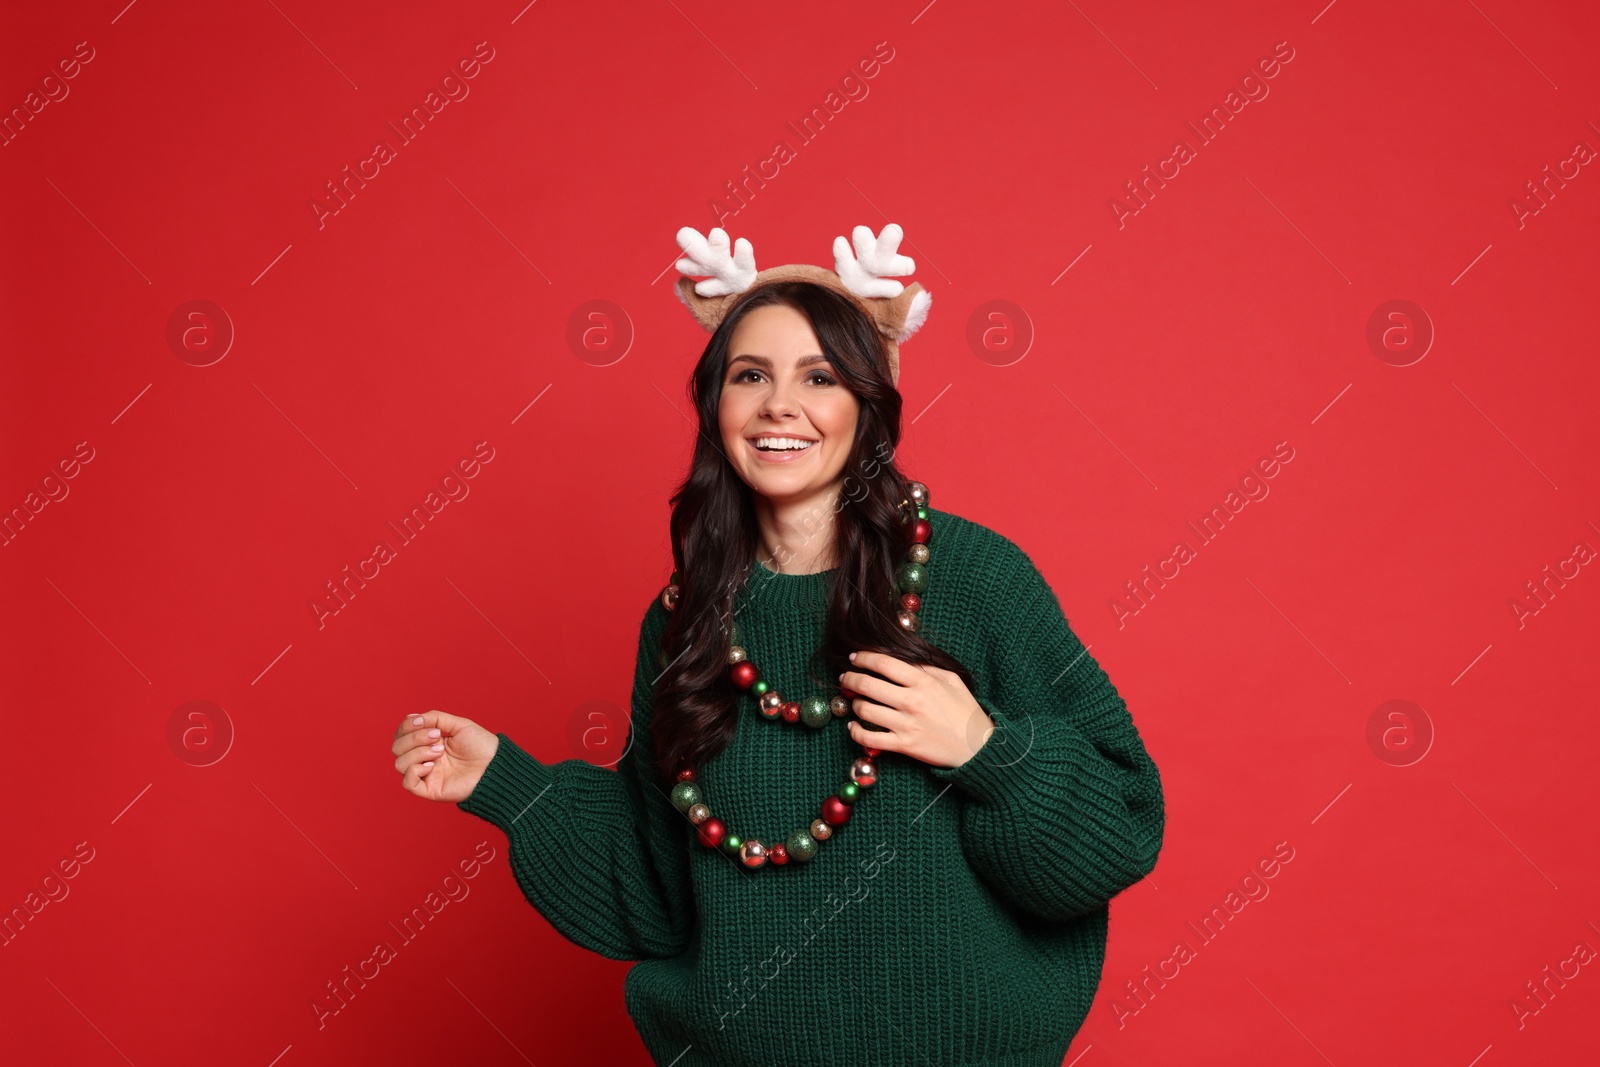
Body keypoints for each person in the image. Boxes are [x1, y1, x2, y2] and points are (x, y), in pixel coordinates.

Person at [390, 224, 1165, 1066]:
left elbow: (1123, 828)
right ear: (714, 402)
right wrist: (507, 783)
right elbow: (660, 890)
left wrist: (986, 749)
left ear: (867, 403)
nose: (778, 406)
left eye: (820, 377)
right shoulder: (686, 618)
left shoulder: (972, 576)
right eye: (749, 375)